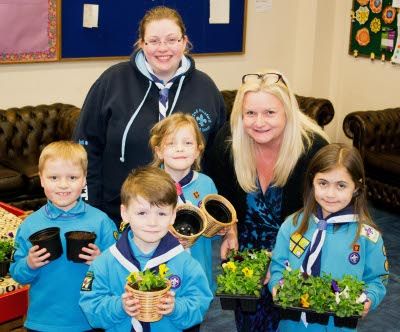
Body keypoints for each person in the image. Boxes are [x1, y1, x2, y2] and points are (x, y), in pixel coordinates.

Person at [73, 5, 226, 226]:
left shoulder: (206, 89)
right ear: (142, 44)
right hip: (118, 215)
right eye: (153, 41)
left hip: (186, 222)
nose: (163, 48)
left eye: (172, 39)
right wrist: (90, 211)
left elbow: (217, 158)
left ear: (184, 42)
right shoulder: (112, 82)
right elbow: (86, 149)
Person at [208, 71, 330, 331]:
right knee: (250, 323)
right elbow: (218, 198)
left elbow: (326, 213)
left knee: (292, 323)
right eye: (250, 113)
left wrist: (282, 259)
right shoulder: (227, 144)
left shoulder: (313, 149)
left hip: (299, 247)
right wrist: (228, 229)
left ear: (287, 112)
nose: (259, 122)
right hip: (246, 250)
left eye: (270, 113)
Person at [269, 143, 389, 331]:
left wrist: (369, 297)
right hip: (292, 325)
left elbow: (377, 278)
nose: (330, 194)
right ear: (312, 182)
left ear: (356, 187)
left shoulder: (368, 237)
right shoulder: (291, 225)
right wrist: (276, 284)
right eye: (323, 183)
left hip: (338, 326)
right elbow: (278, 265)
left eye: (341, 185)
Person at [79, 166, 213, 332]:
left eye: (161, 214)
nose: (152, 222)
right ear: (125, 213)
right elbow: (90, 306)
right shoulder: (105, 263)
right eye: (142, 213)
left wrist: (176, 308)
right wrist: (120, 306)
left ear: (173, 216)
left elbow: (200, 302)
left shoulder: (185, 263)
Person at [10, 141, 118, 332]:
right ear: (41, 179)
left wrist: (101, 261)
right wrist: (29, 263)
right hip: (42, 322)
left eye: (72, 177)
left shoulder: (101, 222)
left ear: (84, 179)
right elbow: (17, 273)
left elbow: (119, 271)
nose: (63, 185)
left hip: (90, 320)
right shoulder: (29, 225)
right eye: (53, 177)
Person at [149, 112, 221, 292]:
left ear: (198, 149)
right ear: (159, 151)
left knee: (198, 318)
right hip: (160, 279)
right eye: (171, 143)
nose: (179, 149)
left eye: (187, 143)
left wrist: (221, 228)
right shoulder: (148, 185)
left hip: (199, 274)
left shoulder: (206, 184)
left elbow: (214, 233)